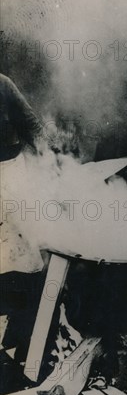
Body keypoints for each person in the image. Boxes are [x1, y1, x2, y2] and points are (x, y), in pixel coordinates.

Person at [0, 73, 44, 359]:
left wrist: (49, 161)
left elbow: (32, 125)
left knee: (24, 253)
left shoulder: (3, 84)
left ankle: (23, 336)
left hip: (10, 171)